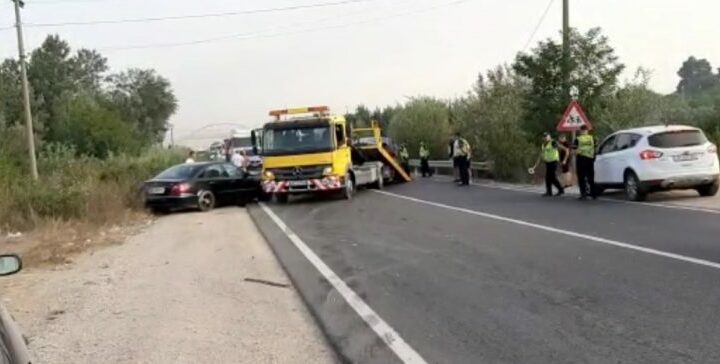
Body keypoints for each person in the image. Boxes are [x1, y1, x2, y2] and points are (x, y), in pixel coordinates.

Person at [532, 132, 568, 197]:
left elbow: (565, 149)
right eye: (544, 136)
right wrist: (535, 166)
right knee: (549, 177)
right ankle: (550, 192)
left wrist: (564, 160)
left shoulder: (553, 142)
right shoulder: (543, 145)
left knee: (551, 177)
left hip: (554, 161)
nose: (545, 138)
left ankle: (559, 190)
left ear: (549, 136)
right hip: (548, 162)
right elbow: (540, 156)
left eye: (547, 136)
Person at [574, 125, 597, 200]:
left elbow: (574, 150)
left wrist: (577, 152)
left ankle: (583, 194)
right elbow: (595, 147)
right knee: (591, 177)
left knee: (581, 177)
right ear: (587, 131)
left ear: (580, 131)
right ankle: (593, 194)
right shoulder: (592, 138)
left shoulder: (578, 139)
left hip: (581, 159)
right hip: (590, 159)